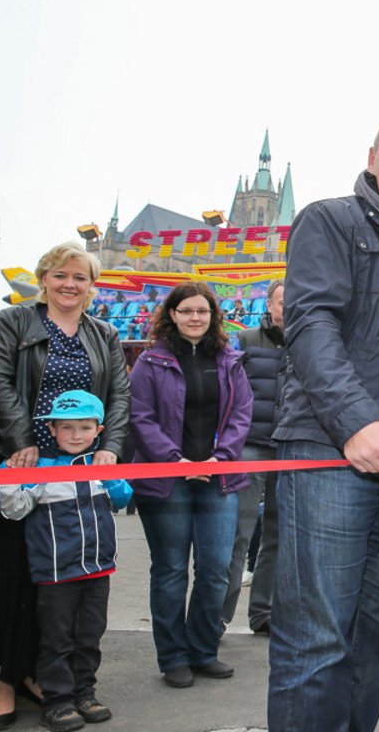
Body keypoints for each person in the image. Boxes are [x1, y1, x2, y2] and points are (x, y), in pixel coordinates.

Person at [268, 114, 379, 731]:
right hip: (331, 454)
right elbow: (311, 325)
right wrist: (356, 423)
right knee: (316, 640)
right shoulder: (330, 220)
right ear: (372, 157)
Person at [0, 242, 130, 731]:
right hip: (20, 464)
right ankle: (2, 680)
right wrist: (21, 441)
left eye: (80, 277)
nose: (70, 284)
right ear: (44, 278)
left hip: (77, 476)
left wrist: (110, 449)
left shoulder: (104, 332)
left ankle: (43, 677)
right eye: (60, 274)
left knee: (65, 590)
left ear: (92, 286)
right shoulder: (16, 321)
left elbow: (118, 396)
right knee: (8, 578)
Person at [126, 281, 252, 688]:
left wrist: (220, 459)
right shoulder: (151, 362)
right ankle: (173, 657)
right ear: (172, 315)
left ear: (213, 316)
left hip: (219, 478)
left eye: (202, 311)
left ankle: (203, 651)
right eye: (187, 311)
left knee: (215, 570)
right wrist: (174, 461)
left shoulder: (230, 360)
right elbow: (140, 417)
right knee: (170, 570)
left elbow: (242, 414)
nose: (195, 317)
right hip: (167, 480)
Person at [0, 390, 132, 732]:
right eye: (66, 427)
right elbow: (13, 510)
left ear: (98, 430)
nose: (75, 435)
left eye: (84, 427)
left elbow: (122, 498)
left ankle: (85, 693)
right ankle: (56, 701)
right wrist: (7, 474)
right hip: (55, 574)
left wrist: (112, 476)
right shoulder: (39, 469)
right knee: (56, 641)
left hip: (98, 570)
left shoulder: (101, 465)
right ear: (52, 429)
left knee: (89, 637)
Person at [222, 279, 287, 635]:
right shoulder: (246, 341)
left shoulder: (312, 341)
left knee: (277, 535)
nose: (289, 309)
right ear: (270, 306)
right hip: (250, 447)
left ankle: (264, 613)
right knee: (238, 533)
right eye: (282, 302)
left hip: (290, 449)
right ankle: (218, 617)